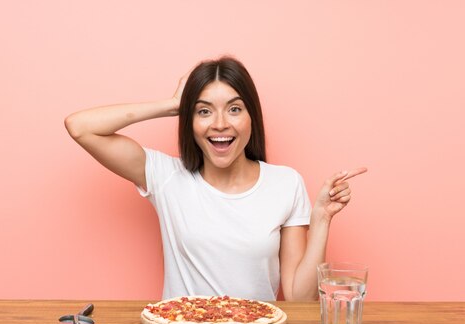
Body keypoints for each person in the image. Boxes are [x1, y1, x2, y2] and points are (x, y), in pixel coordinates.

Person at [64, 56, 366, 301]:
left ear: (252, 117)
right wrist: (173, 104)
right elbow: (80, 127)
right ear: (190, 121)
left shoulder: (286, 183)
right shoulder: (167, 177)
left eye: (234, 109)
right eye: (204, 111)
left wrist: (322, 218)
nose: (220, 124)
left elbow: (300, 299)